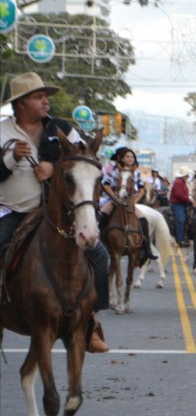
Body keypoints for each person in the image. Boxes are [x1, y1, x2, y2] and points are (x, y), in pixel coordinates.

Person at [0, 72, 109, 353]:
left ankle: (90, 323)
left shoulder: (62, 128)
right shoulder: (2, 132)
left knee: (99, 256)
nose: (45, 101)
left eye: (45, 96)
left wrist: (51, 166)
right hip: (15, 212)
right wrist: (11, 159)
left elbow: (86, 160)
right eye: (38, 96)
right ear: (21, 103)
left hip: (59, 215)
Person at [99, 146, 157, 264]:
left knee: (143, 220)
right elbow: (105, 185)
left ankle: (146, 249)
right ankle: (99, 244)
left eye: (132, 157)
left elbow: (141, 189)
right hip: (114, 200)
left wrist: (134, 201)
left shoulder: (136, 172)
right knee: (102, 216)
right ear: (121, 158)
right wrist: (115, 198)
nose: (130, 159)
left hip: (130, 202)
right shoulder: (111, 169)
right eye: (127, 157)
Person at [169, 166, 192, 247]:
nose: (188, 176)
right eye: (187, 175)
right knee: (181, 220)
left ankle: (187, 236)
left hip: (183, 203)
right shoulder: (178, 182)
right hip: (177, 204)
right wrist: (189, 200)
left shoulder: (182, 182)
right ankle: (180, 240)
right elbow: (179, 195)